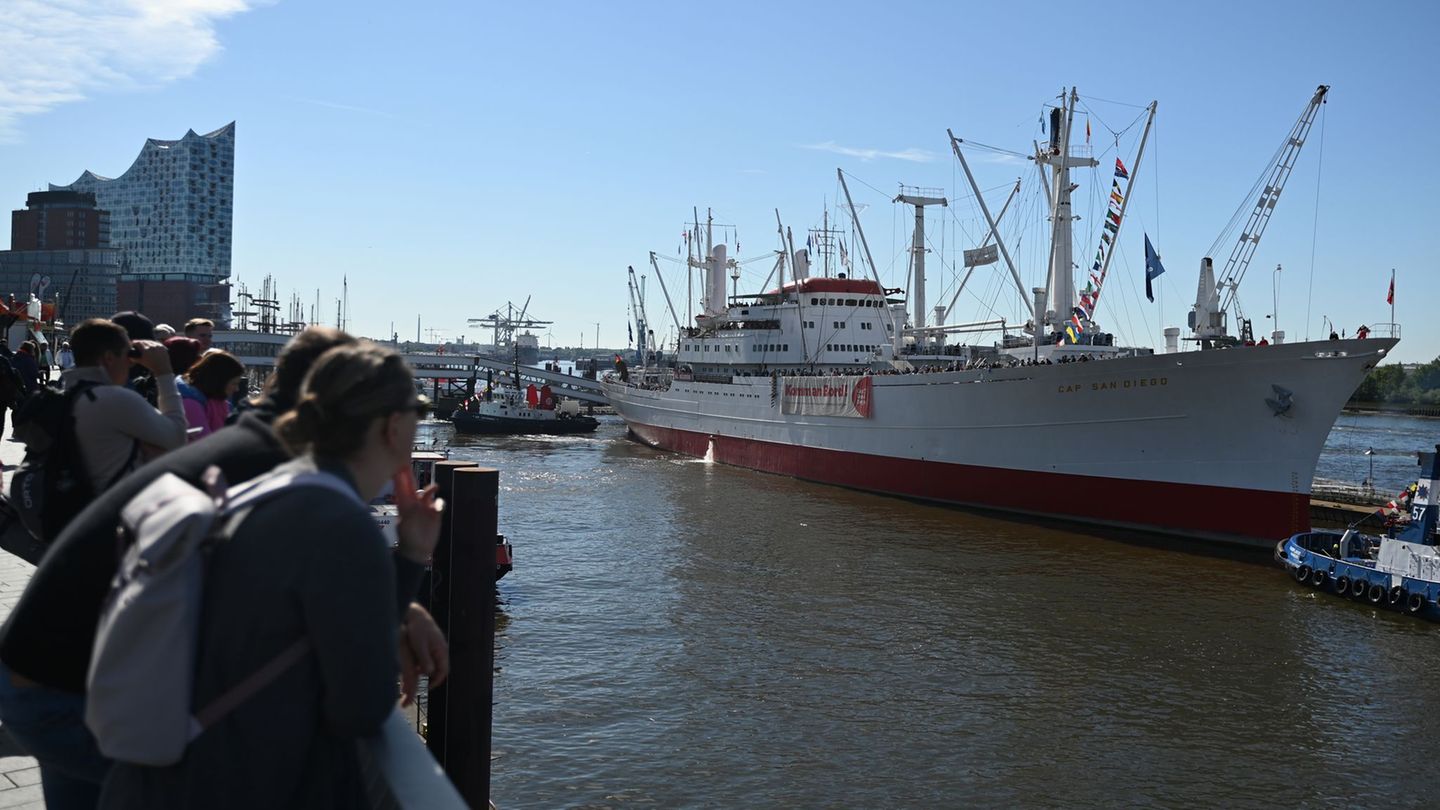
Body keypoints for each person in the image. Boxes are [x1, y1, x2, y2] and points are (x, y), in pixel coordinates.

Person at [0, 328, 446, 808]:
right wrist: (407, 566)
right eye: (415, 415)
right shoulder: (283, 478)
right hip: (75, 689)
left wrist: (398, 602)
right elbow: (358, 689)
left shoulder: (256, 454)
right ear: (388, 424)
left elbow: (307, 594)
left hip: (43, 662)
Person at [63, 319, 188, 495]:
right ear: (108, 358)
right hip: (111, 511)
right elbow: (177, 439)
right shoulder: (114, 399)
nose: (131, 363)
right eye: (127, 355)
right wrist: (163, 371)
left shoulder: (66, 393)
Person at [179, 350, 245, 441]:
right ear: (219, 382)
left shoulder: (219, 402)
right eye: (234, 383)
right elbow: (205, 444)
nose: (237, 389)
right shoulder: (191, 404)